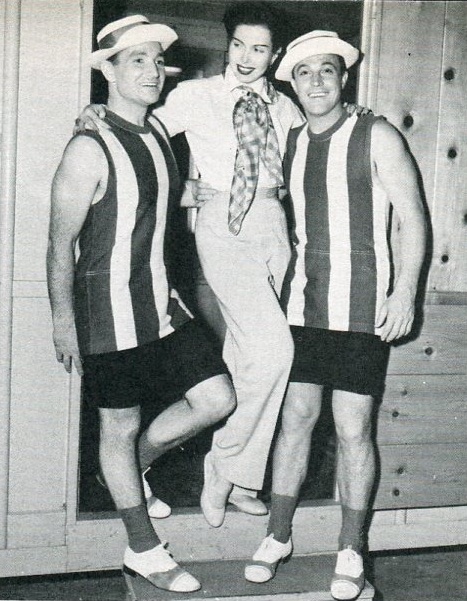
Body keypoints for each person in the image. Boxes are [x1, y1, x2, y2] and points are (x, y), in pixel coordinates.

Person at [75, 2, 306, 523]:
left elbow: (314, 146)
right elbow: (137, 139)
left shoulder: (286, 108)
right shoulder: (194, 96)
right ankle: (224, 466)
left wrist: (356, 116)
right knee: (275, 352)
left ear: (274, 56)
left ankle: (240, 476)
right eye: (239, 44)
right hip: (224, 223)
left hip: (275, 225)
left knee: (252, 358)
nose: (246, 57)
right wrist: (94, 115)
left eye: (260, 49)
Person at [47, 15, 237, 593]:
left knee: (217, 398)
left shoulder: (155, 132)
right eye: (137, 60)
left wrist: (188, 193)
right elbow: (59, 243)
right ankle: (142, 548)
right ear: (107, 70)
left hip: (160, 300)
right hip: (106, 310)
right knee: (119, 426)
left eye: (157, 60)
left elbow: (147, 196)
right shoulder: (87, 147)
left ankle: (132, 470)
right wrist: (63, 320)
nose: (153, 70)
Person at [244, 31, 426, 601]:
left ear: (343, 78)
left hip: (362, 308)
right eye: (304, 72)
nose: (316, 81)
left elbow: (413, 217)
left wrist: (405, 293)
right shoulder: (289, 140)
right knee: (295, 420)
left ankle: (350, 548)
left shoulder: (377, 134)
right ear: (292, 84)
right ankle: (277, 535)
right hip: (301, 304)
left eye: (327, 70)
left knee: (352, 429)